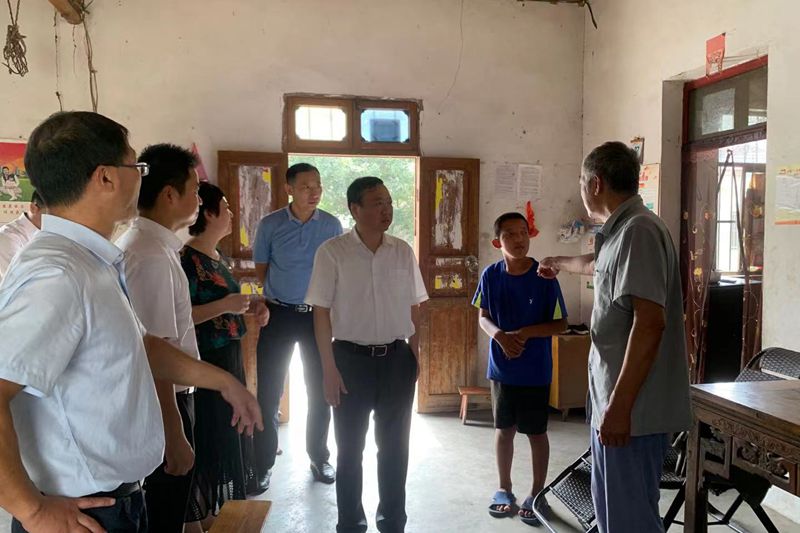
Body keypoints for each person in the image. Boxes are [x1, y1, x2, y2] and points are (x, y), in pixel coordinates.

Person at [0, 111, 263, 533]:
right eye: (135, 167)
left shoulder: (91, 261)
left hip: (116, 502)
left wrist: (223, 381)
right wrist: (32, 511)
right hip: (84, 513)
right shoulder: (57, 274)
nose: (141, 178)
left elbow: (140, 344)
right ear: (105, 177)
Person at [538, 141, 692, 533]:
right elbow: (595, 266)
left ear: (596, 184)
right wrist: (558, 263)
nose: (580, 189)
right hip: (614, 402)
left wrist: (619, 408)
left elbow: (650, 324)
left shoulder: (639, 232)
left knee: (629, 521)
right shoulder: (622, 231)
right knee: (611, 515)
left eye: (581, 181)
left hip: (633, 411)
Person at [306, 176, 428, 533]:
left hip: (396, 360)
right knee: (349, 451)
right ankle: (350, 524)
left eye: (388, 202)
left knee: (395, 449)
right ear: (355, 209)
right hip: (349, 362)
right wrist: (328, 369)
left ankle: (393, 522)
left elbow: (415, 306)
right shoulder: (332, 252)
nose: (386, 209)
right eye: (377, 203)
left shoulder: (402, 251)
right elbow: (320, 312)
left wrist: (414, 354)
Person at [115, 143, 204, 532]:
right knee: (164, 514)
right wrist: (173, 431)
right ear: (170, 194)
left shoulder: (155, 247)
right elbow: (156, 353)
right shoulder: (149, 256)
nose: (199, 199)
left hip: (164, 399)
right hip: (162, 402)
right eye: (195, 190)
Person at [182, 182, 269, 528]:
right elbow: (181, 317)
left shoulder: (218, 257)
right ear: (208, 213)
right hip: (205, 363)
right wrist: (225, 305)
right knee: (207, 437)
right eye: (226, 207)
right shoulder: (187, 260)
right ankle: (195, 517)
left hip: (230, 356)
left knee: (225, 435)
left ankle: (213, 514)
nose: (232, 214)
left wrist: (252, 307)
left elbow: (227, 305)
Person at [473, 212, 568, 526]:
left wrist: (525, 333)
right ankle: (504, 488)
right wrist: (499, 336)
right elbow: (483, 317)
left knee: (537, 433)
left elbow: (561, 323)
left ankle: (537, 493)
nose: (518, 239)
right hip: (502, 369)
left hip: (535, 370)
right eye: (510, 234)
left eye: (523, 233)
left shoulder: (545, 276)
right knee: (504, 431)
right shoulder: (490, 275)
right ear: (496, 242)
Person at [252, 162, 342, 491]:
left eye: (317, 186)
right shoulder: (270, 224)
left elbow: (337, 272)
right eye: (306, 186)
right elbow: (261, 270)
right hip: (278, 314)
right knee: (269, 391)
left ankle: (319, 457)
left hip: (317, 317)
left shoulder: (331, 225)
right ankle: (262, 464)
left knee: (320, 390)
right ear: (289, 189)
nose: (314, 192)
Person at [0, 189, 44, 282]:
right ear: (33, 208)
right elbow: (18, 282)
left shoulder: (48, 235)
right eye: (52, 214)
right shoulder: (8, 238)